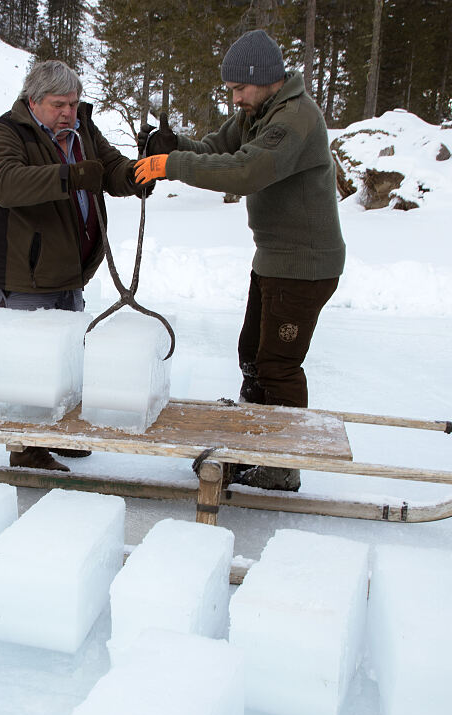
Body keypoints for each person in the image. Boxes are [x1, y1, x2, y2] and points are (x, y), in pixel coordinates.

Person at [133, 30, 345, 492]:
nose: (235, 98)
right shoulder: (257, 113)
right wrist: (174, 146)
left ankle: (282, 463)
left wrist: (171, 166)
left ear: (265, 79)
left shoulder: (296, 118)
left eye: (238, 88)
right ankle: (253, 441)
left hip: (305, 265)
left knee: (278, 366)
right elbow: (216, 150)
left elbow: (248, 170)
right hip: (274, 258)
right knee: (252, 354)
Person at [0, 59, 145, 471]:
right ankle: (26, 448)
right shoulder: (4, 133)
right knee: (27, 367)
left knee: (68, 361)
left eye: (74, 103)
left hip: (71, 270)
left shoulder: (82, 128)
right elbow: (6, 183)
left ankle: (57, 433)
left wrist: (144, 169)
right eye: (59, 105)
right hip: (24, 275)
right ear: (33, 101)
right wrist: (70, 177)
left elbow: (109, 169)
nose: (69, 112)